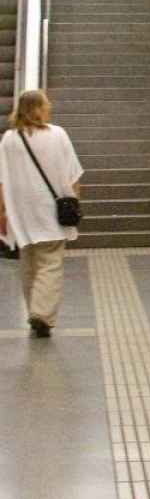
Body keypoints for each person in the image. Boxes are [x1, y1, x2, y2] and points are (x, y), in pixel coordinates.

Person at [0, 90, 83, 337]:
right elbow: (74, 174)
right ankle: (41, 313)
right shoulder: (57, 134)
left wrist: (2, 211)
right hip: (51, 211)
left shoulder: (9, 139)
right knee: (50, 264)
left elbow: (2, 179)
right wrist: (75, 201)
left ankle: (34, 311)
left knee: (29, 264)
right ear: (39, 108)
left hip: (21, 213)